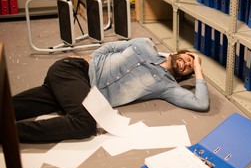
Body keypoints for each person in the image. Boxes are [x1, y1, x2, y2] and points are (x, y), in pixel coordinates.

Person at [13, 37, 209, 143]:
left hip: (81, 91)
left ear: (184, 75)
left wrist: (199, 68)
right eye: (188, 58)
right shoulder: (145, 44)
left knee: (32, 103)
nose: (187, 64)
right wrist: (91, 58)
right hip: (74, 70)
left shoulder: (167, 86)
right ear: (176, 54)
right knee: (85, 124)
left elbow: (200, 103)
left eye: (190, 67)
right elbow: (111, 47)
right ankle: (9, 133)